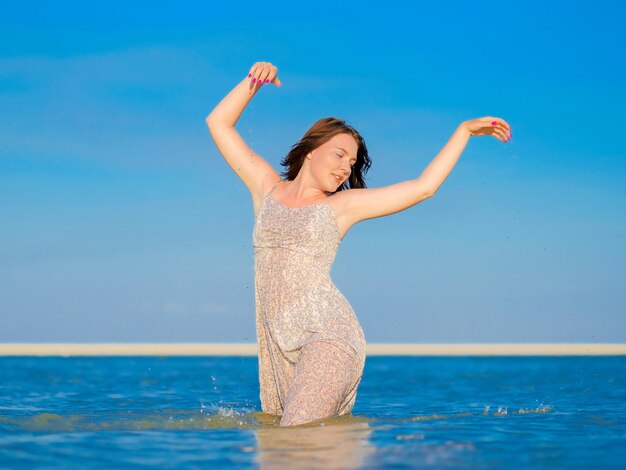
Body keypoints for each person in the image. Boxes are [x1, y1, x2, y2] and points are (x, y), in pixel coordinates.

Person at [205, 61, 511, 427]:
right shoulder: (266, 187)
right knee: (283, 449)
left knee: (295, 432)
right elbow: (218, 123)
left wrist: (463, 131)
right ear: (311, 149)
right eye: (339, 155)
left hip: (330, 337)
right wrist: (254, 81)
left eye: (352, 164)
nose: (346, 169)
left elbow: (423, 187)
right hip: (278, 346)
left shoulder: (341, 207)